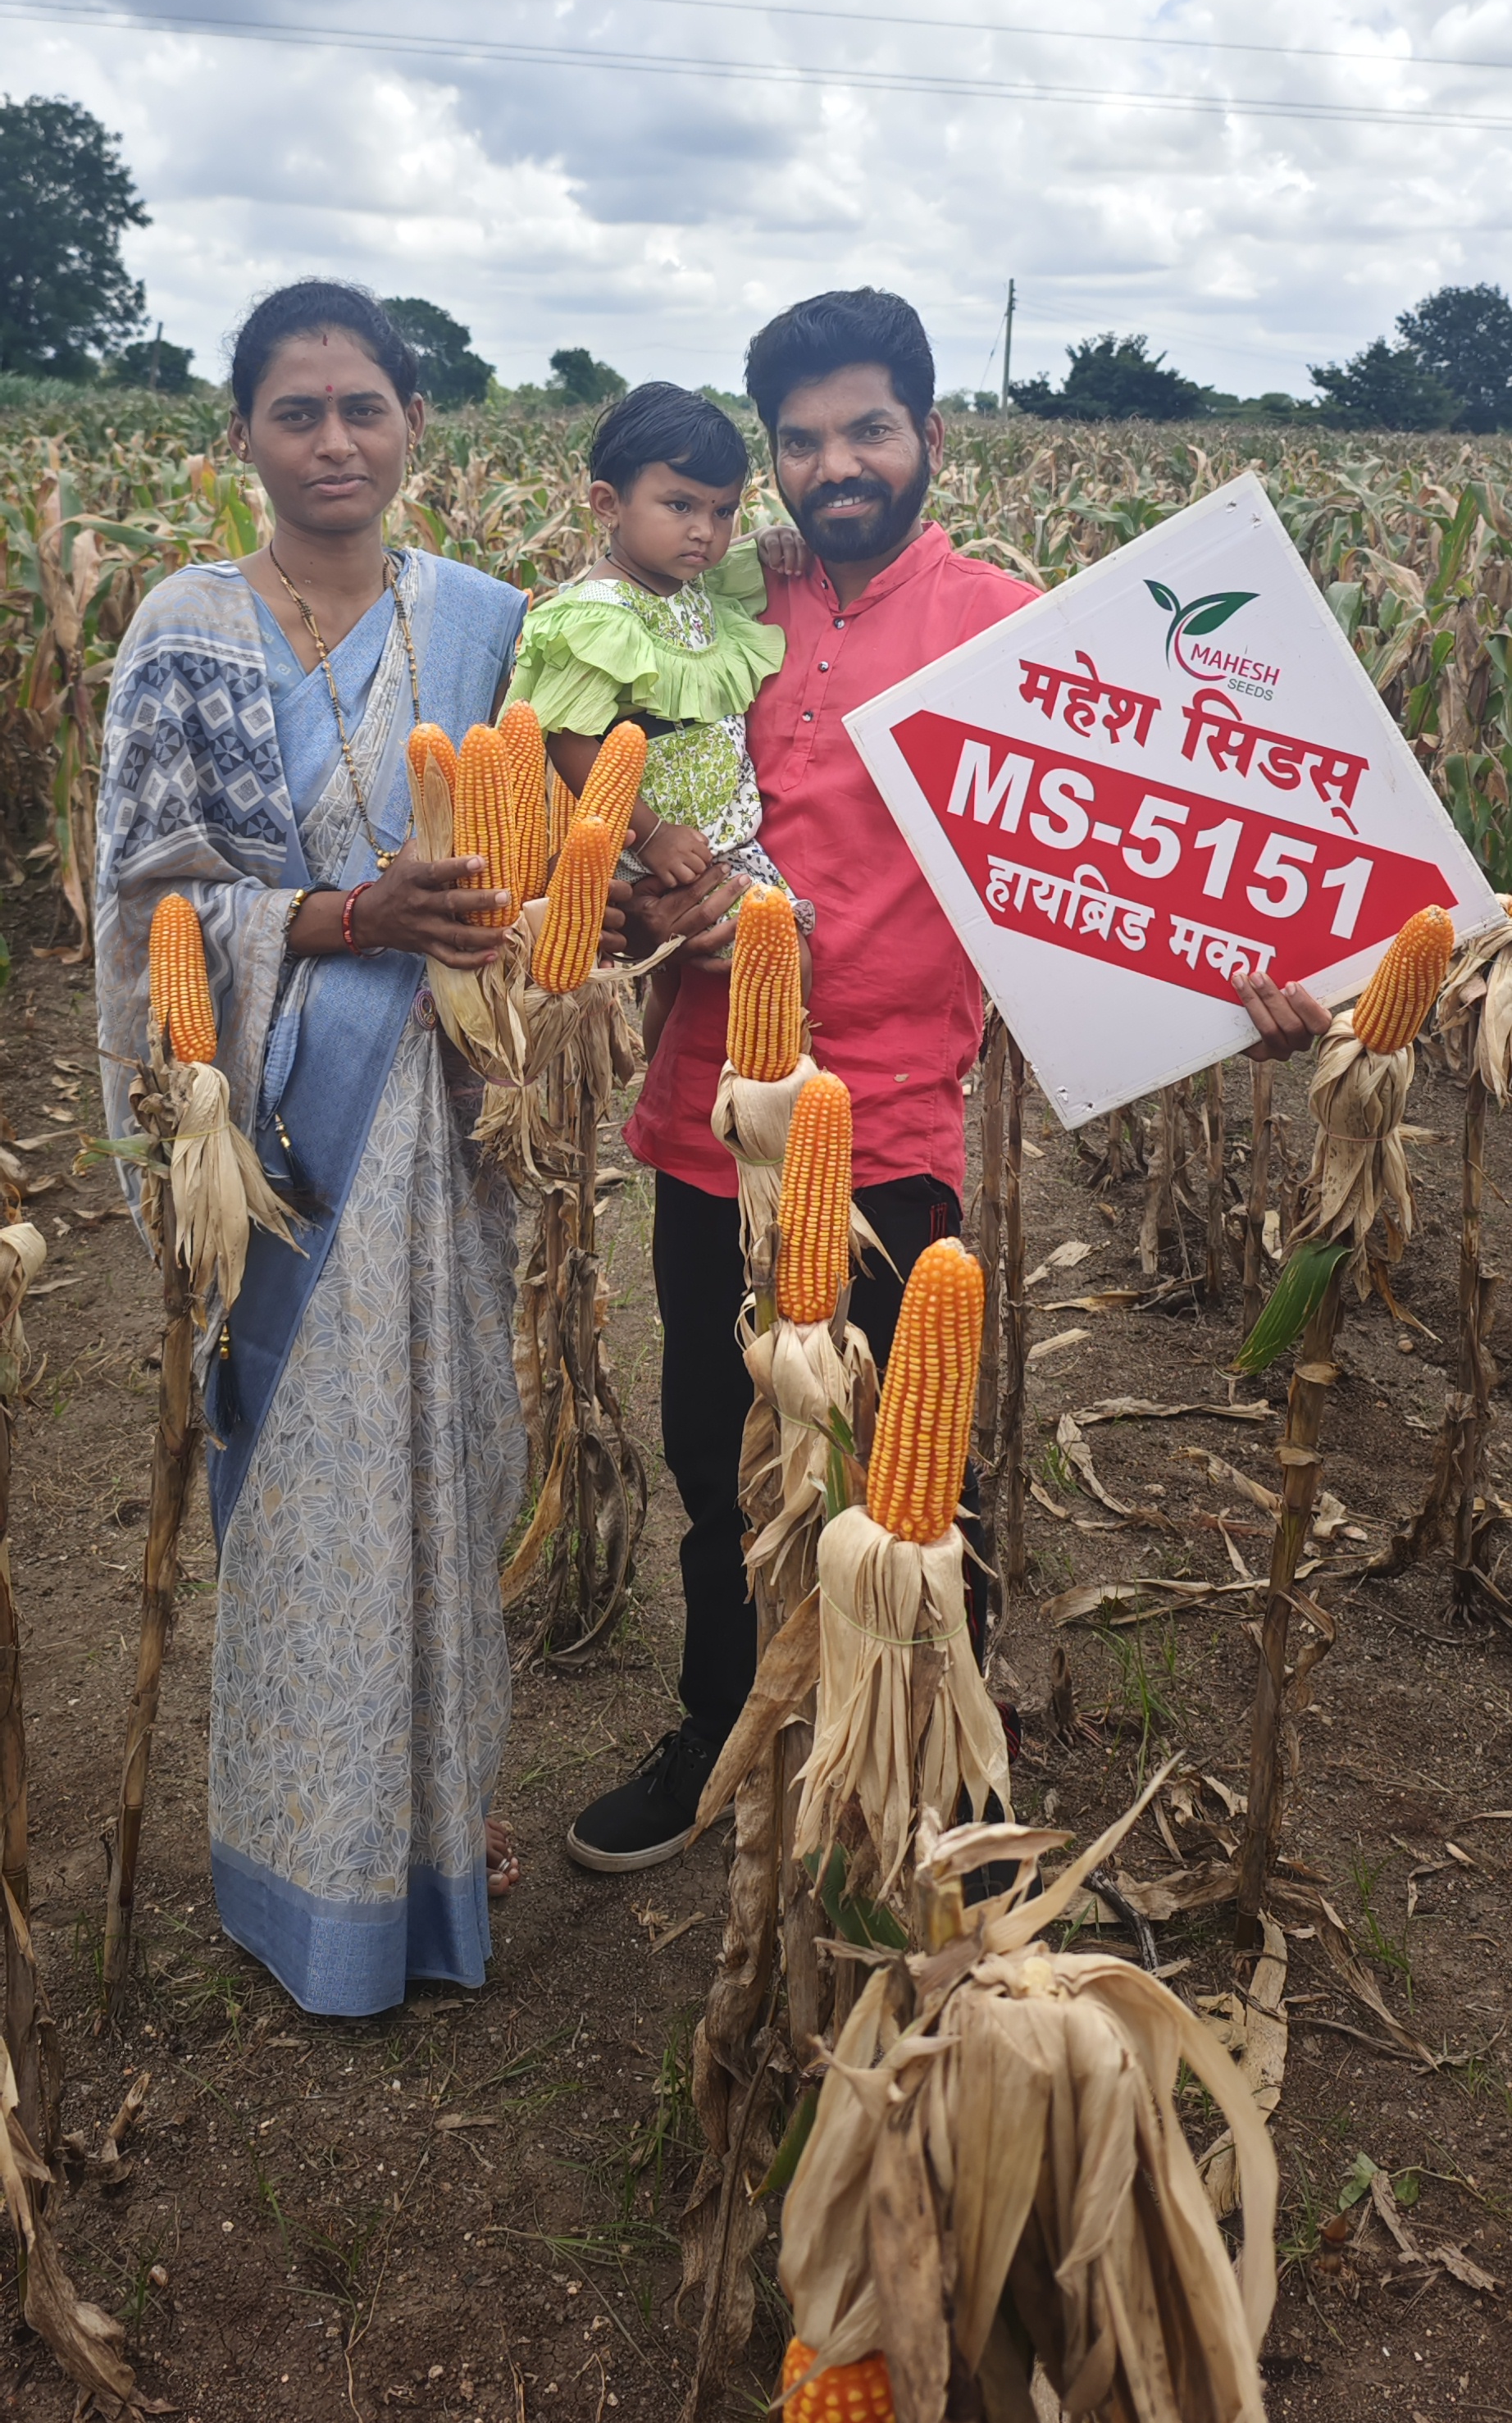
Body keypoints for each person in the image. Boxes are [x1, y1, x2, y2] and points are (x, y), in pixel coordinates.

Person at [566, 286, 1331, 1874]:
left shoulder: (1012, 621)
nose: (832, 463)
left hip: (890, 1122)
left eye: (866, 429)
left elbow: (1126, 837)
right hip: (709, 1113)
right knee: (718, 1461)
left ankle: (939, 1774)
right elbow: (601, 752)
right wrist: (638, 895)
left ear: (930, 434)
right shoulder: (715, 597)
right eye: (801, 439)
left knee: (912, 1476)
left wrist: (1239, 983)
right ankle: (716, 1721)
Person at [95, 278, 531, 2017]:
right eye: (298, 409)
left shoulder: (493, 621)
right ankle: (310, 1858)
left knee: (453, 1461)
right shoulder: (184, 626)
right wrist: (345, 917)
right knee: (314, 1494)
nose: (336, 440)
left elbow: (564, 841)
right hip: (279, 1138)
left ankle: (447, 1824)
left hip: (449, 1126)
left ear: (415, 421)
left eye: (365, 405)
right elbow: (143, 912)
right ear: (245, 435)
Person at [506, 380, 808, 1012]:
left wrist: (774, 540)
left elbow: (751, 561)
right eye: (680, 506)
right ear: (608, 503)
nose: (705, 531)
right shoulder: (600, 618)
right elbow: (567, 738)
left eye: (723, 512)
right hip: (665, 850)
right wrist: (650, 836)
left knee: (676, 993)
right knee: (787, 959)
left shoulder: (689, 583)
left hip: (715, 835)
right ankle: (768, 1088)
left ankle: (673, 1100)